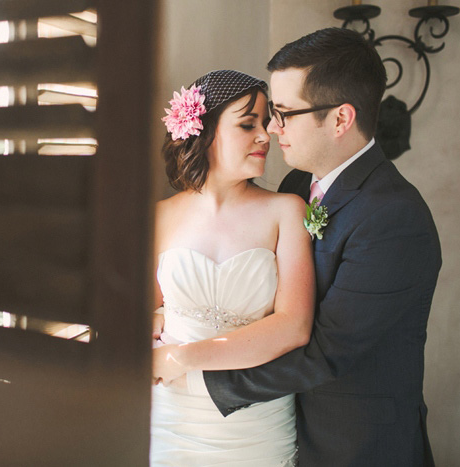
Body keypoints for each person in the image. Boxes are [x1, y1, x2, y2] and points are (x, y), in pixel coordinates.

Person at [183, 28, 441, 466]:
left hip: (357, 446)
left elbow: (327, 350)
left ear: (340, 119)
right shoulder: (297, 185)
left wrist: (196, 380)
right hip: (280, 431)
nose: (270, 129)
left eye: (283, 113)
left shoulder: (396, 219)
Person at [150, 69, 315, 466]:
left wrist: (183, 357)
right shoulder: (161, 216)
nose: (266, 135)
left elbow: (294, 326)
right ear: (204, 131)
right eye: (248, 124)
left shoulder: (287, 212)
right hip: (171, 418)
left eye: (266, 122)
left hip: (255, 423)